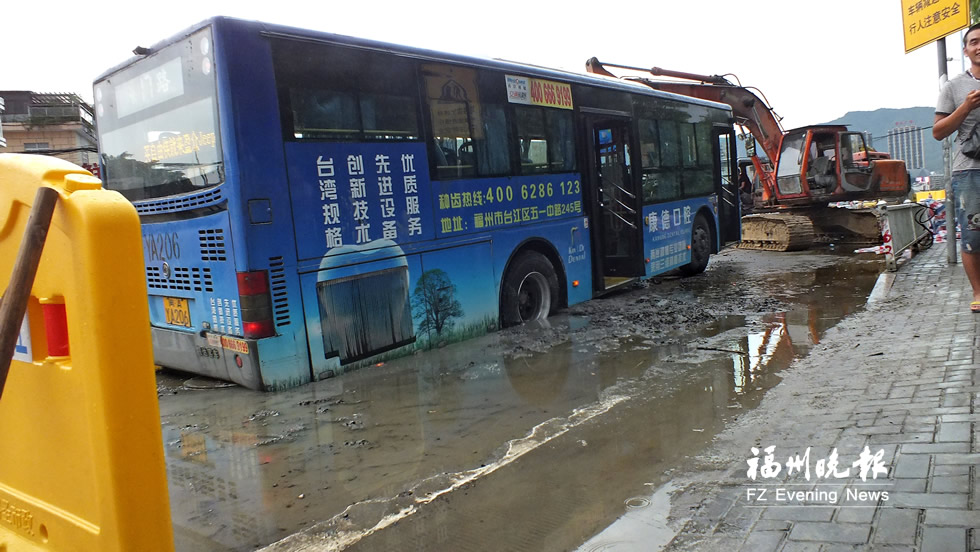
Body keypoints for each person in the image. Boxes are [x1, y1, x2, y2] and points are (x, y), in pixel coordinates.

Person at [934, 22, 980, 313]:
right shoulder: (954, 87)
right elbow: (938, 132)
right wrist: (965, 107)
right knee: (974, 233)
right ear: (965, 50)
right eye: (974, 41)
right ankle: (978, 292)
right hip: (970, 169)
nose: (979, 45)